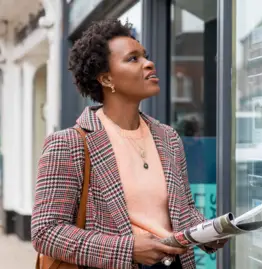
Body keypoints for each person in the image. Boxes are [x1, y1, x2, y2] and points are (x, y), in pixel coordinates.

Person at [31, 19, 227, 269]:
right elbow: (46, 232)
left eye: (145, 55)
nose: (149, 63)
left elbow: (183, 210)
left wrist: (209, 232)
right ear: (106, 79)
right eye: (133, 59)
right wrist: (128, 249)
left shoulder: (168, 138)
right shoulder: (68, 144)